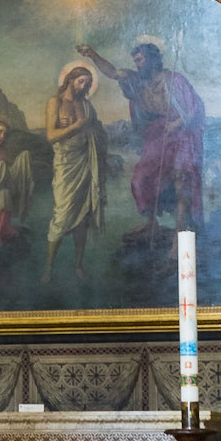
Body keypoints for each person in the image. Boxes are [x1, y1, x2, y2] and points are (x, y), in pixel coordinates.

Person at [75, 34, 203, 238]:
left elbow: (195, 108)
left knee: (181, 183)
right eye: (135, 61)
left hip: (181, 137)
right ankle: (152, 224)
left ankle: (179, 238)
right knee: (141, 179)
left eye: (140, 60)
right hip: (158, 137)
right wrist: (92, 55)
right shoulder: (137, 81)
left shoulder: (173, 80)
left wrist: (176, 123)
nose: (137, 65)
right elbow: (113, 72)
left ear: (152, 59)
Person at [42, 60, 106, 283]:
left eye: (88, 84)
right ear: (69, 80)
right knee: (61, 216)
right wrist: (78, 126)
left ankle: (78, 266)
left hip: (86, 164)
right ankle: (49, 266)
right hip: (66, 165)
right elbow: (51, 136)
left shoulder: (87, 106)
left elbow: (98, 131)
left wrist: (94, 132)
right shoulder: (55, 102)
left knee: (82, 219)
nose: (84, 87)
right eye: (81, 81)